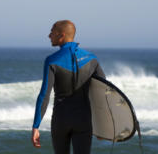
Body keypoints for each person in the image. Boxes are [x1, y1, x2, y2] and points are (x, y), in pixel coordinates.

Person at [31, 20, 106, 154]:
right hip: (83, 120)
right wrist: (102, 126)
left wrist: (36, 126)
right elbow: (103, 93)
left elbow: (44, 95)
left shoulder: (52, 60)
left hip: (61, 120)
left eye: (52, 32)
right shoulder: (92, 59)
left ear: (62, 35)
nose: (49, 36)